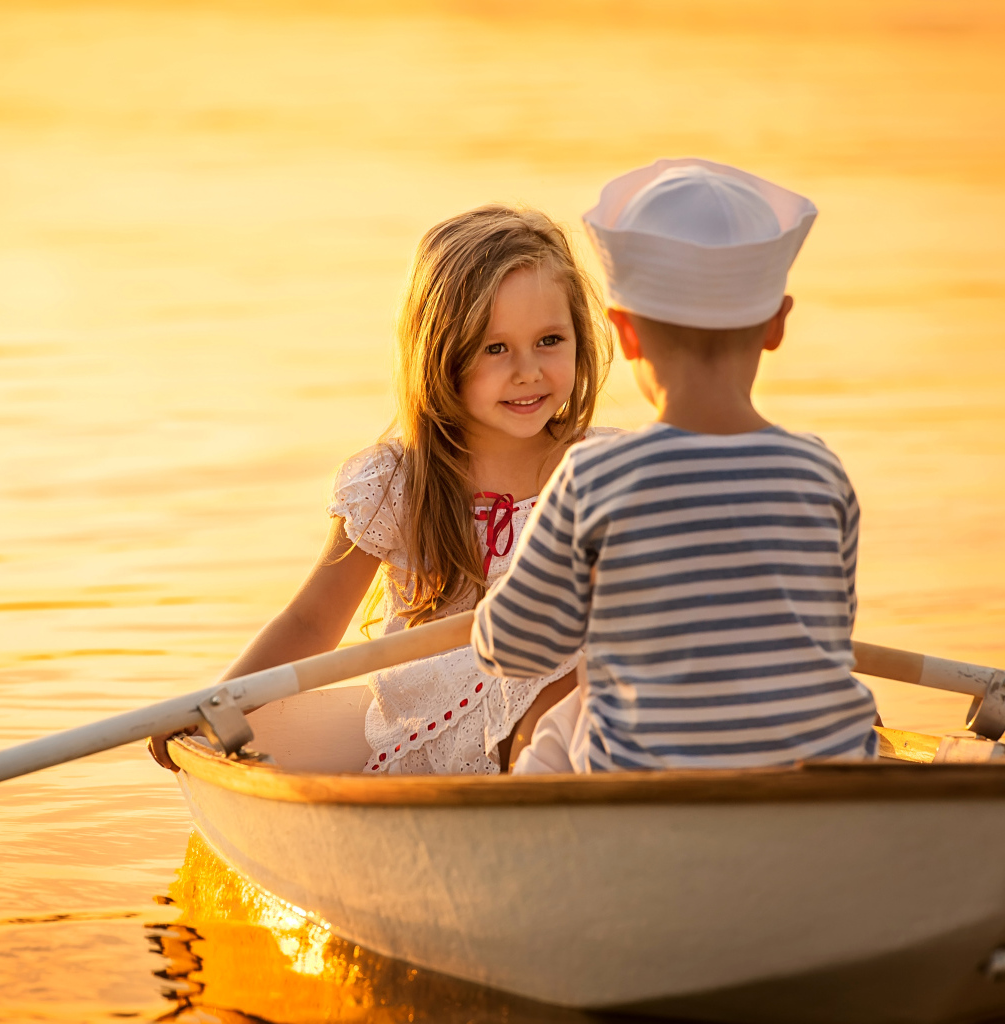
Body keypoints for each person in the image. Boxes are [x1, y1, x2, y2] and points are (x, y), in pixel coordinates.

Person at [152, 204, 613, 774]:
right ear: (440, 355)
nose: (528, 371)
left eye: (549, 340)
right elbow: (311, 622)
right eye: (495, 348)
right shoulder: (399, 483)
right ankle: (547, 812)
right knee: (570, 683)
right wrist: (215, 703)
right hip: (448, 720)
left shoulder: (605, 468)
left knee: (610, 665)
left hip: (580, 706)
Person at [472, 158, 878, 773]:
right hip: (821, 786)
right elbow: (829, 631)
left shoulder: (594, 478)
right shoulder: (820, 474)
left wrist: (507, 618)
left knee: (557, 733)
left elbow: (513, 647)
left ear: (624, 333)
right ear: (777, 323)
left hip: (647, 792)